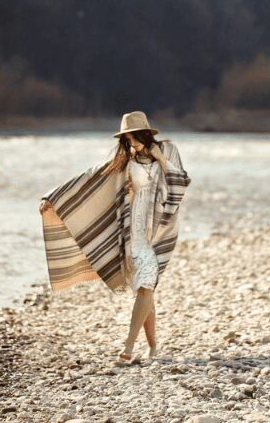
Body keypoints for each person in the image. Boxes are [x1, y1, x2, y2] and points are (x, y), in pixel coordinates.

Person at [38, 111, 191, 364]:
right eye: (127, 139)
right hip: (134, 232)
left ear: (144, 133)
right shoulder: (126, 160)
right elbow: (91, 177)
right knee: (145, 287)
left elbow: (181, 182)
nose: (131, 143)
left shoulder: (168, 150)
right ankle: (153, 347)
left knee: (146, 285)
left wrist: (160, 159)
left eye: (133, 137)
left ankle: (128, 347)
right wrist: (52, 197)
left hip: (158, 231)